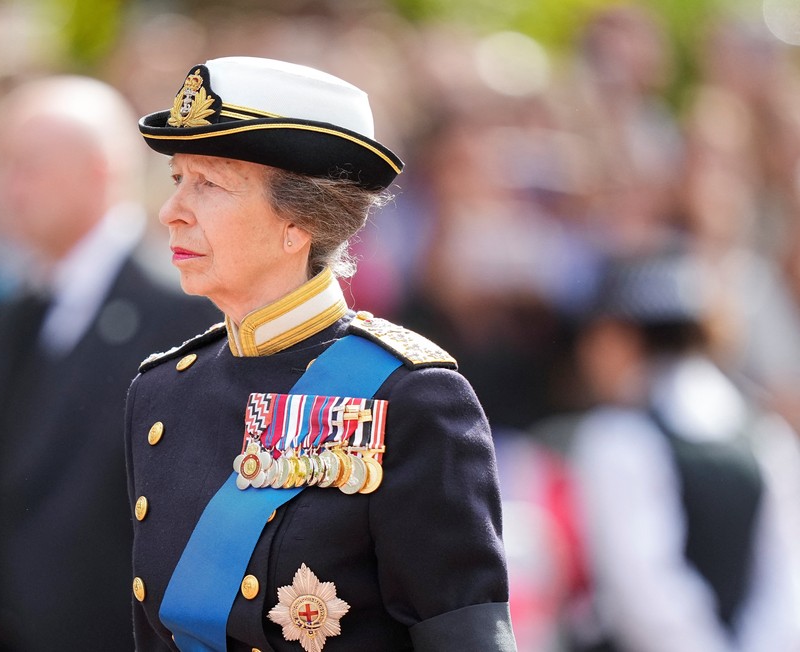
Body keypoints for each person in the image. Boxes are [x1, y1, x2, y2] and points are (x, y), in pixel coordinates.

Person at [125, 56, 516, 651]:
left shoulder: (410, 396)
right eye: (179, 178)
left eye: (210, 184)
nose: (172, 210)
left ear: (299, 222)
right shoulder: (162, 391)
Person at [0, 75, 219, 652]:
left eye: (27, 167)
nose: (7, 190)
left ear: (99, 172)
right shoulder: (14, 314)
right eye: (0, 169)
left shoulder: (179, 315)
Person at [567, 246, 800, 652]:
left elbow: (642, 594)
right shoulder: (765, 434)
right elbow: (786, 590)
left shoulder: (617, 437)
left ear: (621, 336)